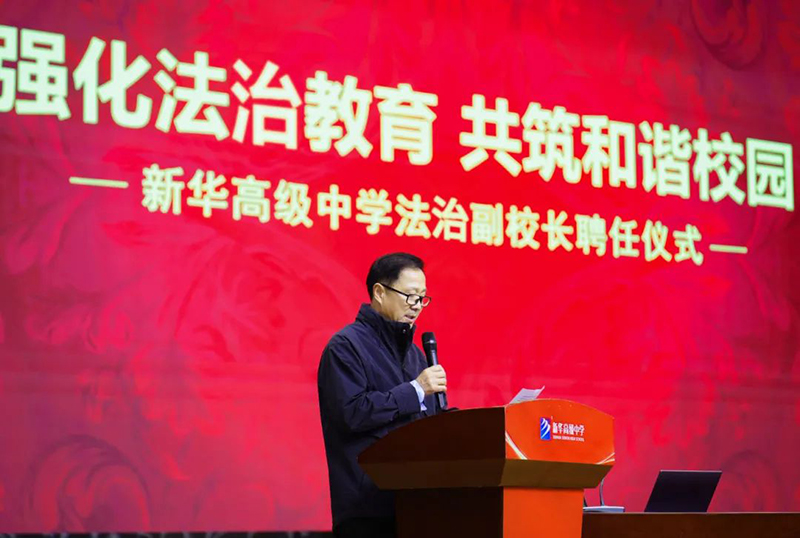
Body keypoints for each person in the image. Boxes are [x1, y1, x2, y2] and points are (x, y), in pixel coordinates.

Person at [317, 252, 447, 538]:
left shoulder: (416, 355)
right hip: (367, 509)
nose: (417, 306)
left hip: (415, 504)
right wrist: (415, 390)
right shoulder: (345, 346)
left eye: (422, 298)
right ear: (379, 292)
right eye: (410, 296)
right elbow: (352, 413)